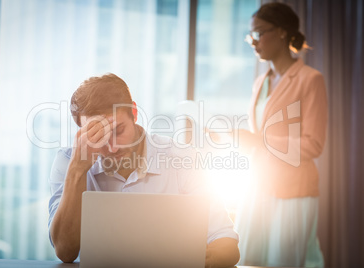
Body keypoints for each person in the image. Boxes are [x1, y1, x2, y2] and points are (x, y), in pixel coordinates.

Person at [47, 73, 240, 267]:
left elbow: (227, 244)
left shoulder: (184, 158)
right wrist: (77, 170)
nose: (112, 148)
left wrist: (190, 261)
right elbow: (65, 251)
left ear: (134, 113)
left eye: (118, 130)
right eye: (97, 136)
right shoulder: (67, 162)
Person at [230, 2, 328, 267]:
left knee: (281, 262)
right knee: (245, 259)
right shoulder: (261, 82)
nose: (253, 42)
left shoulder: (310, 79)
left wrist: (258, 142)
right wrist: (235, 140)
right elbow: (260, 136)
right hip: (257, 187)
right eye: (250, 36)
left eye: (259, 33)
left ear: (282, 32)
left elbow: (313, 145)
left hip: (293, 191)